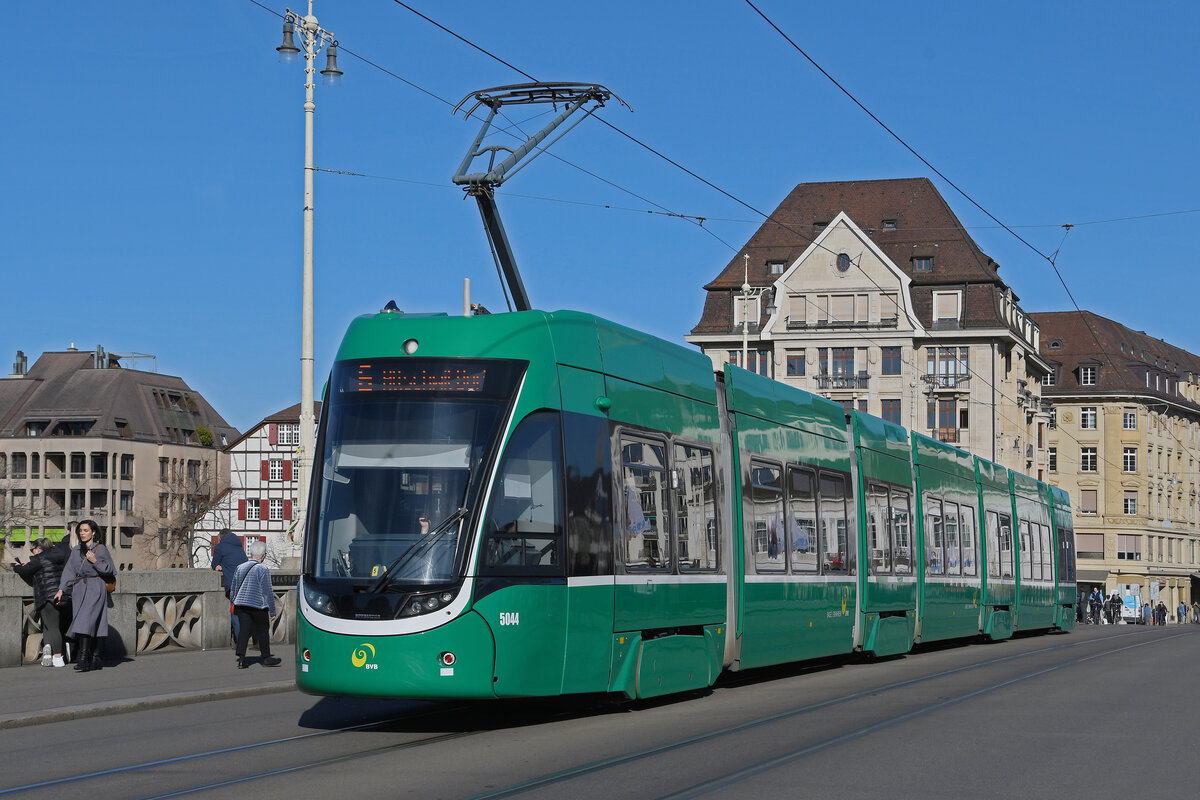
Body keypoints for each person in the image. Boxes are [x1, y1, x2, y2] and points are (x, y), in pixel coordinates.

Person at [54, 520, 114, 672]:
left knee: (84, 620)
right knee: (88, 622)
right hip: (79, 588)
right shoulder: (75, 551)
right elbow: (69, 571)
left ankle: (83, 658)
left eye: (86, 530)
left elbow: (110, 570)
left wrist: (95, 561)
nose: (82, 533)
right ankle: (95, 657)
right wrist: (61, 589)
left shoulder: (101, 549)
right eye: (80, 530)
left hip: (96, 587)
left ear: (93, 532)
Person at [13, 536, 70, 667]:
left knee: (52, 626)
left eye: (33, 549)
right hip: (61, 594)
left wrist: (17, 567)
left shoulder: (40, 558)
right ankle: (48, 656)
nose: (32, 552)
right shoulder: (60, 556)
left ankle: (57, 657)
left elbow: (25, 570)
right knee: (49, 626)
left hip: (47, 595)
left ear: (39, 549)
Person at [229, 540, 281, 668]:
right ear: (263, 555)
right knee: (263, 630)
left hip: (241, 605)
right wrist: (272, 611)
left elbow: (233, 589)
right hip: (257, 605)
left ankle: (241, 658)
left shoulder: (240, 567)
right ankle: (266, 658)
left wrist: (233, 603)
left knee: (244, 630)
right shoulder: (262, 569)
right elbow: (268, 591)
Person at [211, 528, 248, 644]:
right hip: (246, 583)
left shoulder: (220, 547)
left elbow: (214, 564)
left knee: (235, 612)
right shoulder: (239, 547)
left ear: (221, 537)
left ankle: (239, 641)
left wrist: (218, 566)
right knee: (245, 612)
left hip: (234, 584)